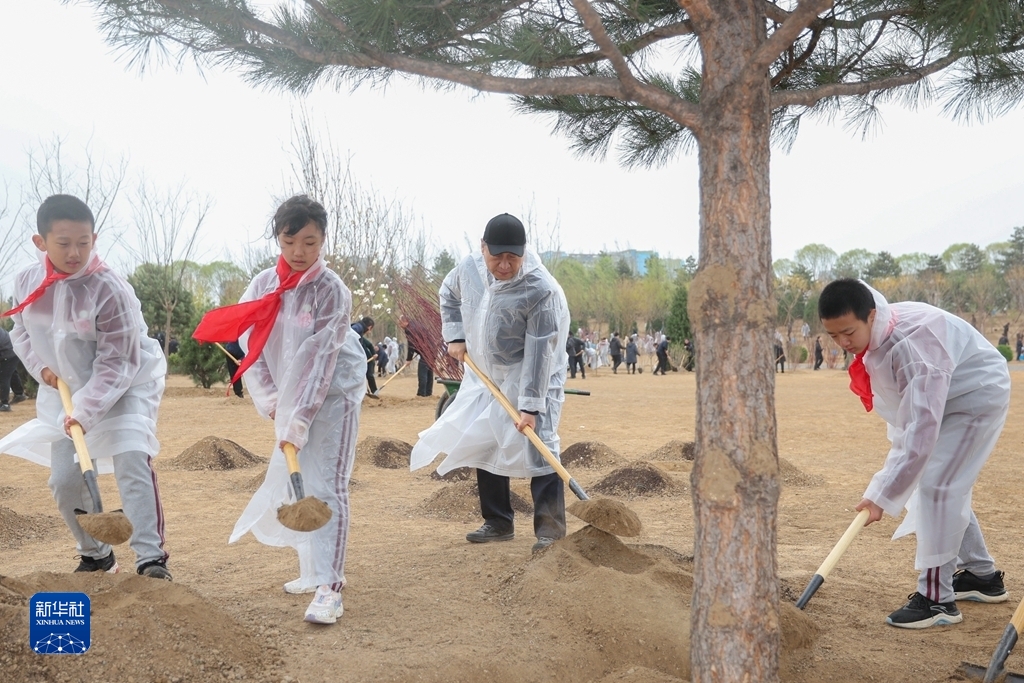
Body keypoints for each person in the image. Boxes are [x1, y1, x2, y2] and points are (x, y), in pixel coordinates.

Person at [193, 194, 366, 625]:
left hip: (333, 396)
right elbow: (253, 347)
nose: (300, 252)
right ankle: (311, 571)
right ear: (278, 238)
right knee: (299, 483)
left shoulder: (332, 292)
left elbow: (322, 361)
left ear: (323, 239)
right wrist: (271, 401)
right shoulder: (263, 285)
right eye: (290, 242)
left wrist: (300, 416)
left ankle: (331, 586)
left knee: (328, 486)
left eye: (310, 242)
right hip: (290, 397)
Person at [819, 278, 1010, 629]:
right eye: (833, 336)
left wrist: (881, 495)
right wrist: (887, 486)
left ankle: (938, 601)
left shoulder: (912, 346)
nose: (843, 343)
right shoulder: (880, 336)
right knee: (941, 483)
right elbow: (909, 421)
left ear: (871, 315)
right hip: (947, 392)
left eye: (848, 332)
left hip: (975, 394)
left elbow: (919, 430)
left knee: (939, 485)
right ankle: (983, 576)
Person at [0, 194, 171, 579]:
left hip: (125, 388)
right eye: (64, 243)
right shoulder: (26, 282)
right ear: (40, 242)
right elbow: (21, 331)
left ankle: (150, 558)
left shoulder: (110, 289)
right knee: (63, 479)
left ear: (94, 238)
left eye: (84, 242)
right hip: (62, 391)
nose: (75, 252)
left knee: (132, 461)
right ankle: (96, 554)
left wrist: (86, 411)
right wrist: (41, 369)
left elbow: (118, 361)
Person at [410, 212, 571, 554]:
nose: (504, 264)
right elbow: (448, 294)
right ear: (483, 248)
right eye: (497, 256)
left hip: (531, 369)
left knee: (539, 441)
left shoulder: (540, 290)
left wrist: (530, 406)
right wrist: (455, 336)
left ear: (524, 252)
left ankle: (550, 531)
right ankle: (498, 522)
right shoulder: (468, 268)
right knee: (484, 438)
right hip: (483, 372)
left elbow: (541, 353)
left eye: (512, 257)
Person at [398, 314, 434, 397]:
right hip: (432, 349)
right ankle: (428, 393)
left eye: (400, 323)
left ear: (405, 322)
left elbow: (411, 345)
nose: (400, 325)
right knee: (429, 371)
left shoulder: (409, 329)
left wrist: (409, 359)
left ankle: (421, 394)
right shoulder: (416, 324)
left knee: (422, 373)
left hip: (426, 351)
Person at [0, 326, 29, 410]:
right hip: (12, 350)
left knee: (3, 376)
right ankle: (19, 394)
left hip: (7, 353)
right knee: (11, 372)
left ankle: (5, 404)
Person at [352, 316, 377, 394]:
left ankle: (373, 391)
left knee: (369, 375)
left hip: (367, 359)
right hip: (358, 359)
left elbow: (370, 345)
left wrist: (374, 354)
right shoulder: (357, 328)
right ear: (369, 327)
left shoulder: (360, 332)